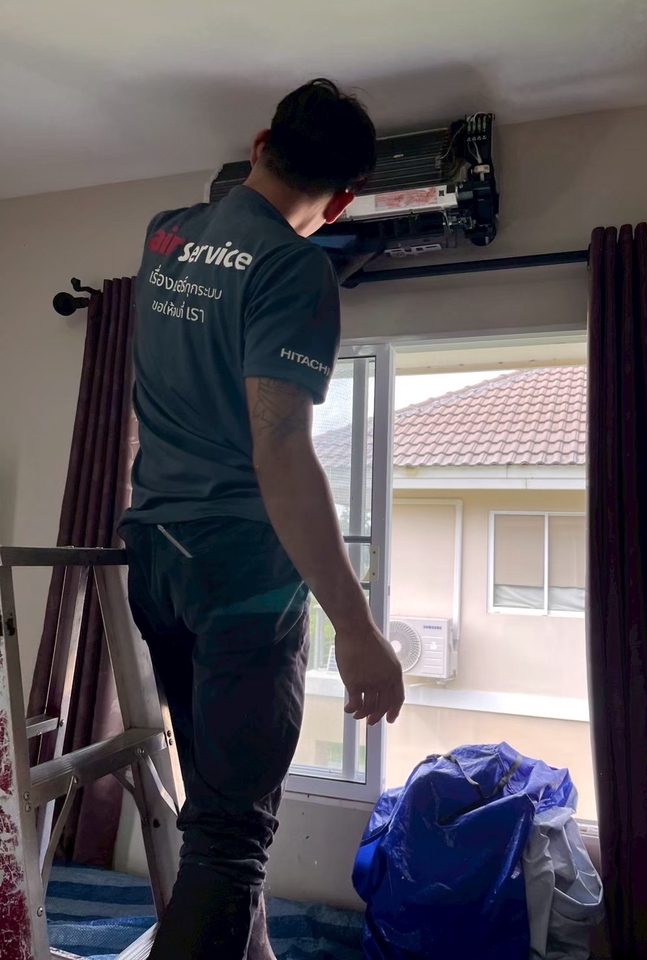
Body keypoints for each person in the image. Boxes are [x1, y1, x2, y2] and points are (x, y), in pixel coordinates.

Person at [119, 79, 405, 960]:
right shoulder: (293, 266)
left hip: (154, 556)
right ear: (345, 199)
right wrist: (356, 627)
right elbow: (279, 447)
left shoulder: (166, 235)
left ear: (258, 144)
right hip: (236, 572)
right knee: (231, 838)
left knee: (216, 811)